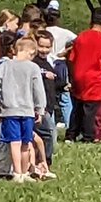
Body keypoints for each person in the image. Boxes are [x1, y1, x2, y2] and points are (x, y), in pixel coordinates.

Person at [0, 36, 47, 182]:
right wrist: (40, 110)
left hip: (9, 110)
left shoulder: (5, 66)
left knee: (14, 143)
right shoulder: (33, 68)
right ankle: (24, 171)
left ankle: (17, 173)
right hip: (27, 111)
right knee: (25, 143)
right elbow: (38, 90)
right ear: (31, 51)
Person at [66, 7, 101, 143]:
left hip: (78, 76)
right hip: (94, 78)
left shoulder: (81, 37)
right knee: (90, 110)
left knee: (77, 108)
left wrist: (73, 75)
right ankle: (88, 136)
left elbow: (71, 59)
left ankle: (71, 134)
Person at [33, 31, 65, 173]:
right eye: (41, 46)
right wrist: (44, 74)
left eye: (47, 47)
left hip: (48, 105)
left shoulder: (48, 62)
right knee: (49, 132)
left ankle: (40, 160)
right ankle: (45, 161)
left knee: (43, 134)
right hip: (40, 106)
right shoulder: (34, 62)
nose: (44, 50)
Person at [44, 2, 77, 126]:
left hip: (47, 65)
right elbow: (77, 40)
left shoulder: (43, 32)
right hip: (60, 66)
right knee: (65, 97)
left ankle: (50, 125)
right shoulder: (65, 33)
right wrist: (66, 51)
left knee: (49, 97)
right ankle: (69, 124)